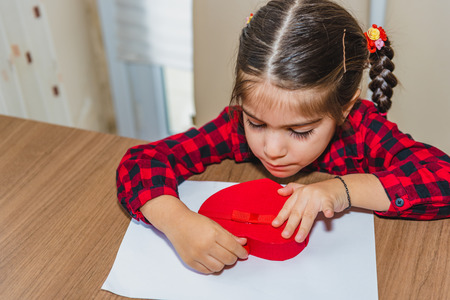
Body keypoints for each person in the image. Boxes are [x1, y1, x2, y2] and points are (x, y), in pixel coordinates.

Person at [116, 0, 450, 274]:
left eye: (301, 131)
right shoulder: (233, 127)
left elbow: (442, 178)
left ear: (344, 109)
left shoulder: (364, 130)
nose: (271, 149)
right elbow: (143, 161)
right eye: (256, 123)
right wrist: (176, 222)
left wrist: (342, 190)